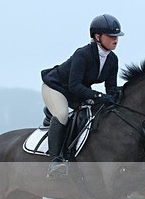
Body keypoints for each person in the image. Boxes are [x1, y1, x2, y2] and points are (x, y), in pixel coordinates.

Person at [40, 14, 123, 178]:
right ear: (97, 37)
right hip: (56, 87)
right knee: (62, 114)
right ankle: (55, 162)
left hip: (76, 92)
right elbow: (74, 85)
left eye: (117, 36)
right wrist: (98, 95)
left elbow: (111, 88)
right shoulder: (83, 54)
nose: (115, 39)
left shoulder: (112, 59)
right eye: (111, 36)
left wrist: (119, 96)